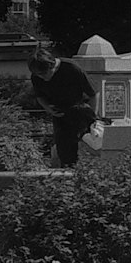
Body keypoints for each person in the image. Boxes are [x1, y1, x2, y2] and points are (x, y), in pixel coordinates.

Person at [40, 40, 102, 168]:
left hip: (81, 112)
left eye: (44, 74)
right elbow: (39, 96)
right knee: (65, 152)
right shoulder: (37, 75)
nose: (42, 78)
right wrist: (48, 109)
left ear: (51, 66)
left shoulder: (71, 68)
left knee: (88, 148)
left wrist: (93, 119)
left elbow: (93, 93)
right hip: (60, 116)